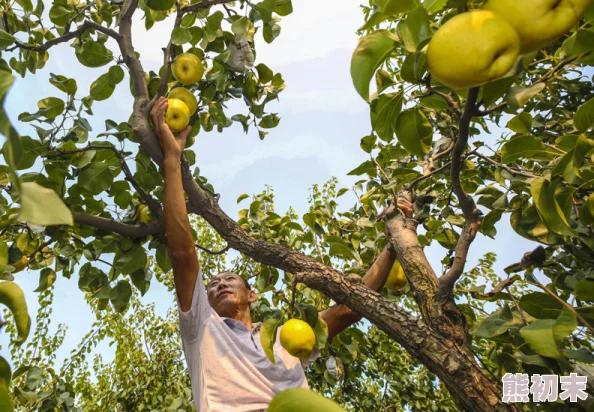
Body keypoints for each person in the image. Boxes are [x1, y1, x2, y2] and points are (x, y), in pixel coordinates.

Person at [151, 97, 398, 411]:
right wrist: (172, 160)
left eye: (229, 279)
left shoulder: (285, 338)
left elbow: (351, 309)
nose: (218, 284)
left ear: (252, 295)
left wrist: (394, 247)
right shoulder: (201, 326)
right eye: (213, 284)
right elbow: (183, 253)